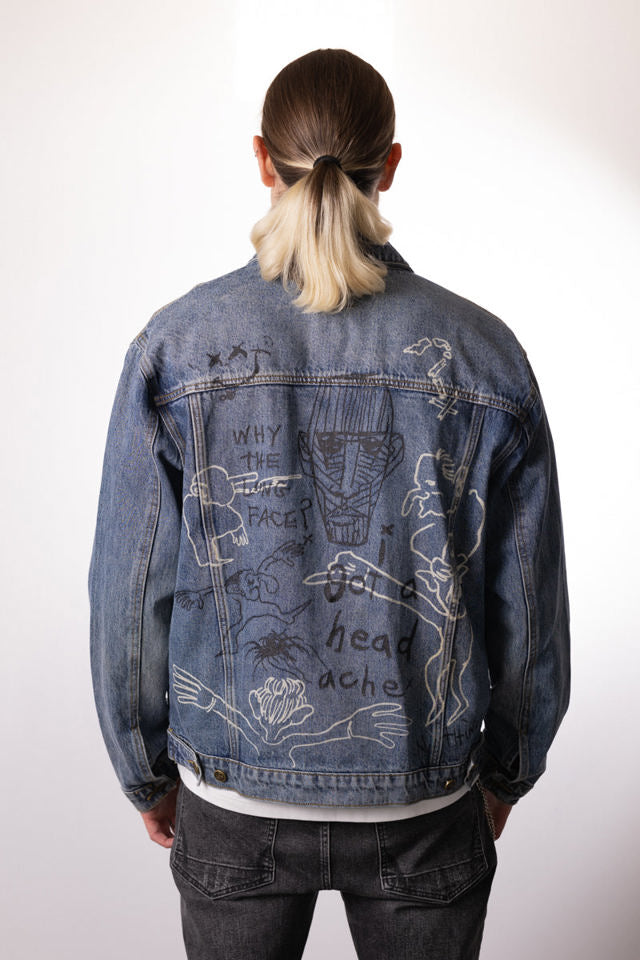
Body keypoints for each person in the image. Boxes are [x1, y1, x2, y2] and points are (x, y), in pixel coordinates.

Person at [89, 48, 570, 960]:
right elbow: (531, 607)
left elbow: (128, 596)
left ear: (261, 160)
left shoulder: (174, 349)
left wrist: (145, 771)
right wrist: (507, 770)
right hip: (424, 799)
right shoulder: (485, 355)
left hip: (232, 800)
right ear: (391, 166)